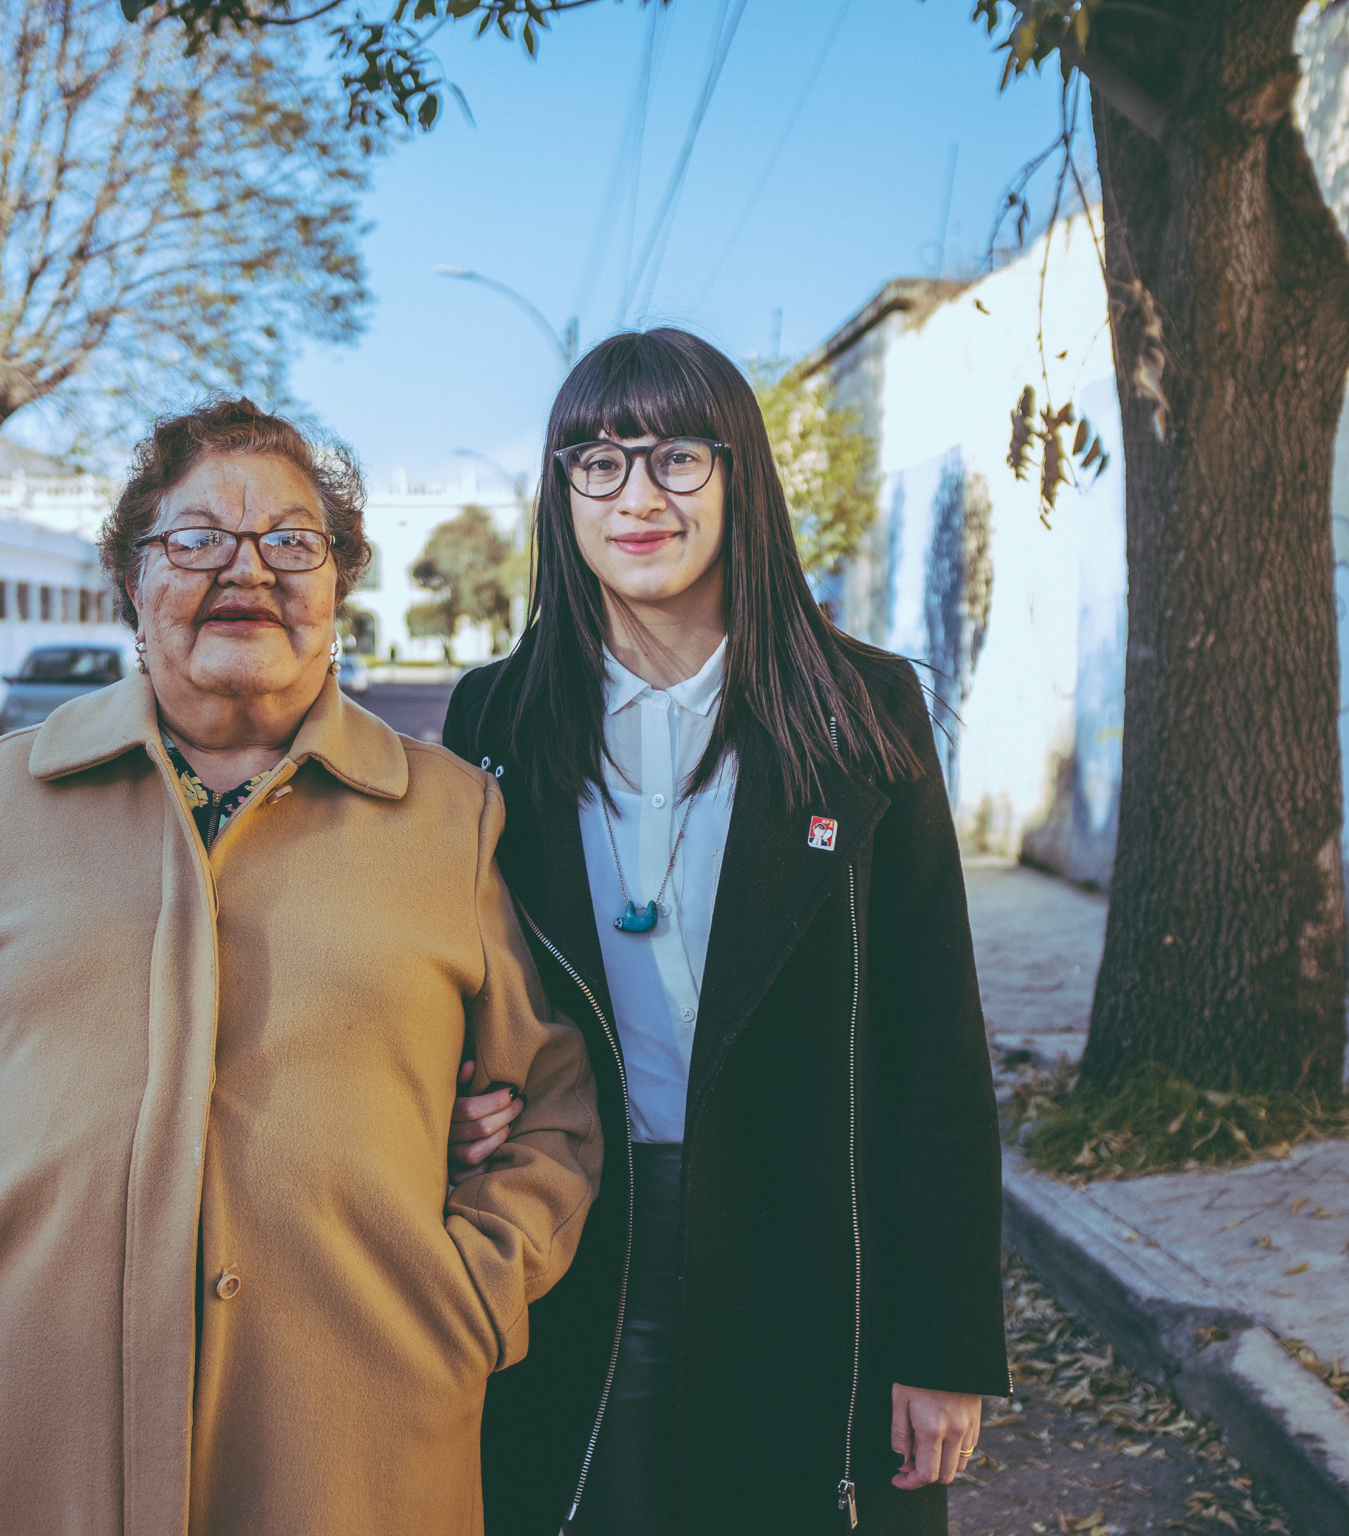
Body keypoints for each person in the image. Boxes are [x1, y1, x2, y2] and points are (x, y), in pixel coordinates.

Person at [0, 398, 603, 1536]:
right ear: (132, 580)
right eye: (195, 539)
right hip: (19, 1439)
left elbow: (554, 1114)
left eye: (292, 541)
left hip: (352, 1449)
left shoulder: (451, 815)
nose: (247, 569)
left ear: (337, 587)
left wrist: (466, 1298)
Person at [441, 329, 1009, 1534]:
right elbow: (440, 985)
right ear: (560, 496)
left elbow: (936, 1047)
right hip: (567, 1238)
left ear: (738, 474)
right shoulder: (495, 715)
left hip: (808, 1245)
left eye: (675, 456)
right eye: (595, 461)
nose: (635, 495)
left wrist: (945, 1339)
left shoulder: (864, 709)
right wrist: (441, 1097)